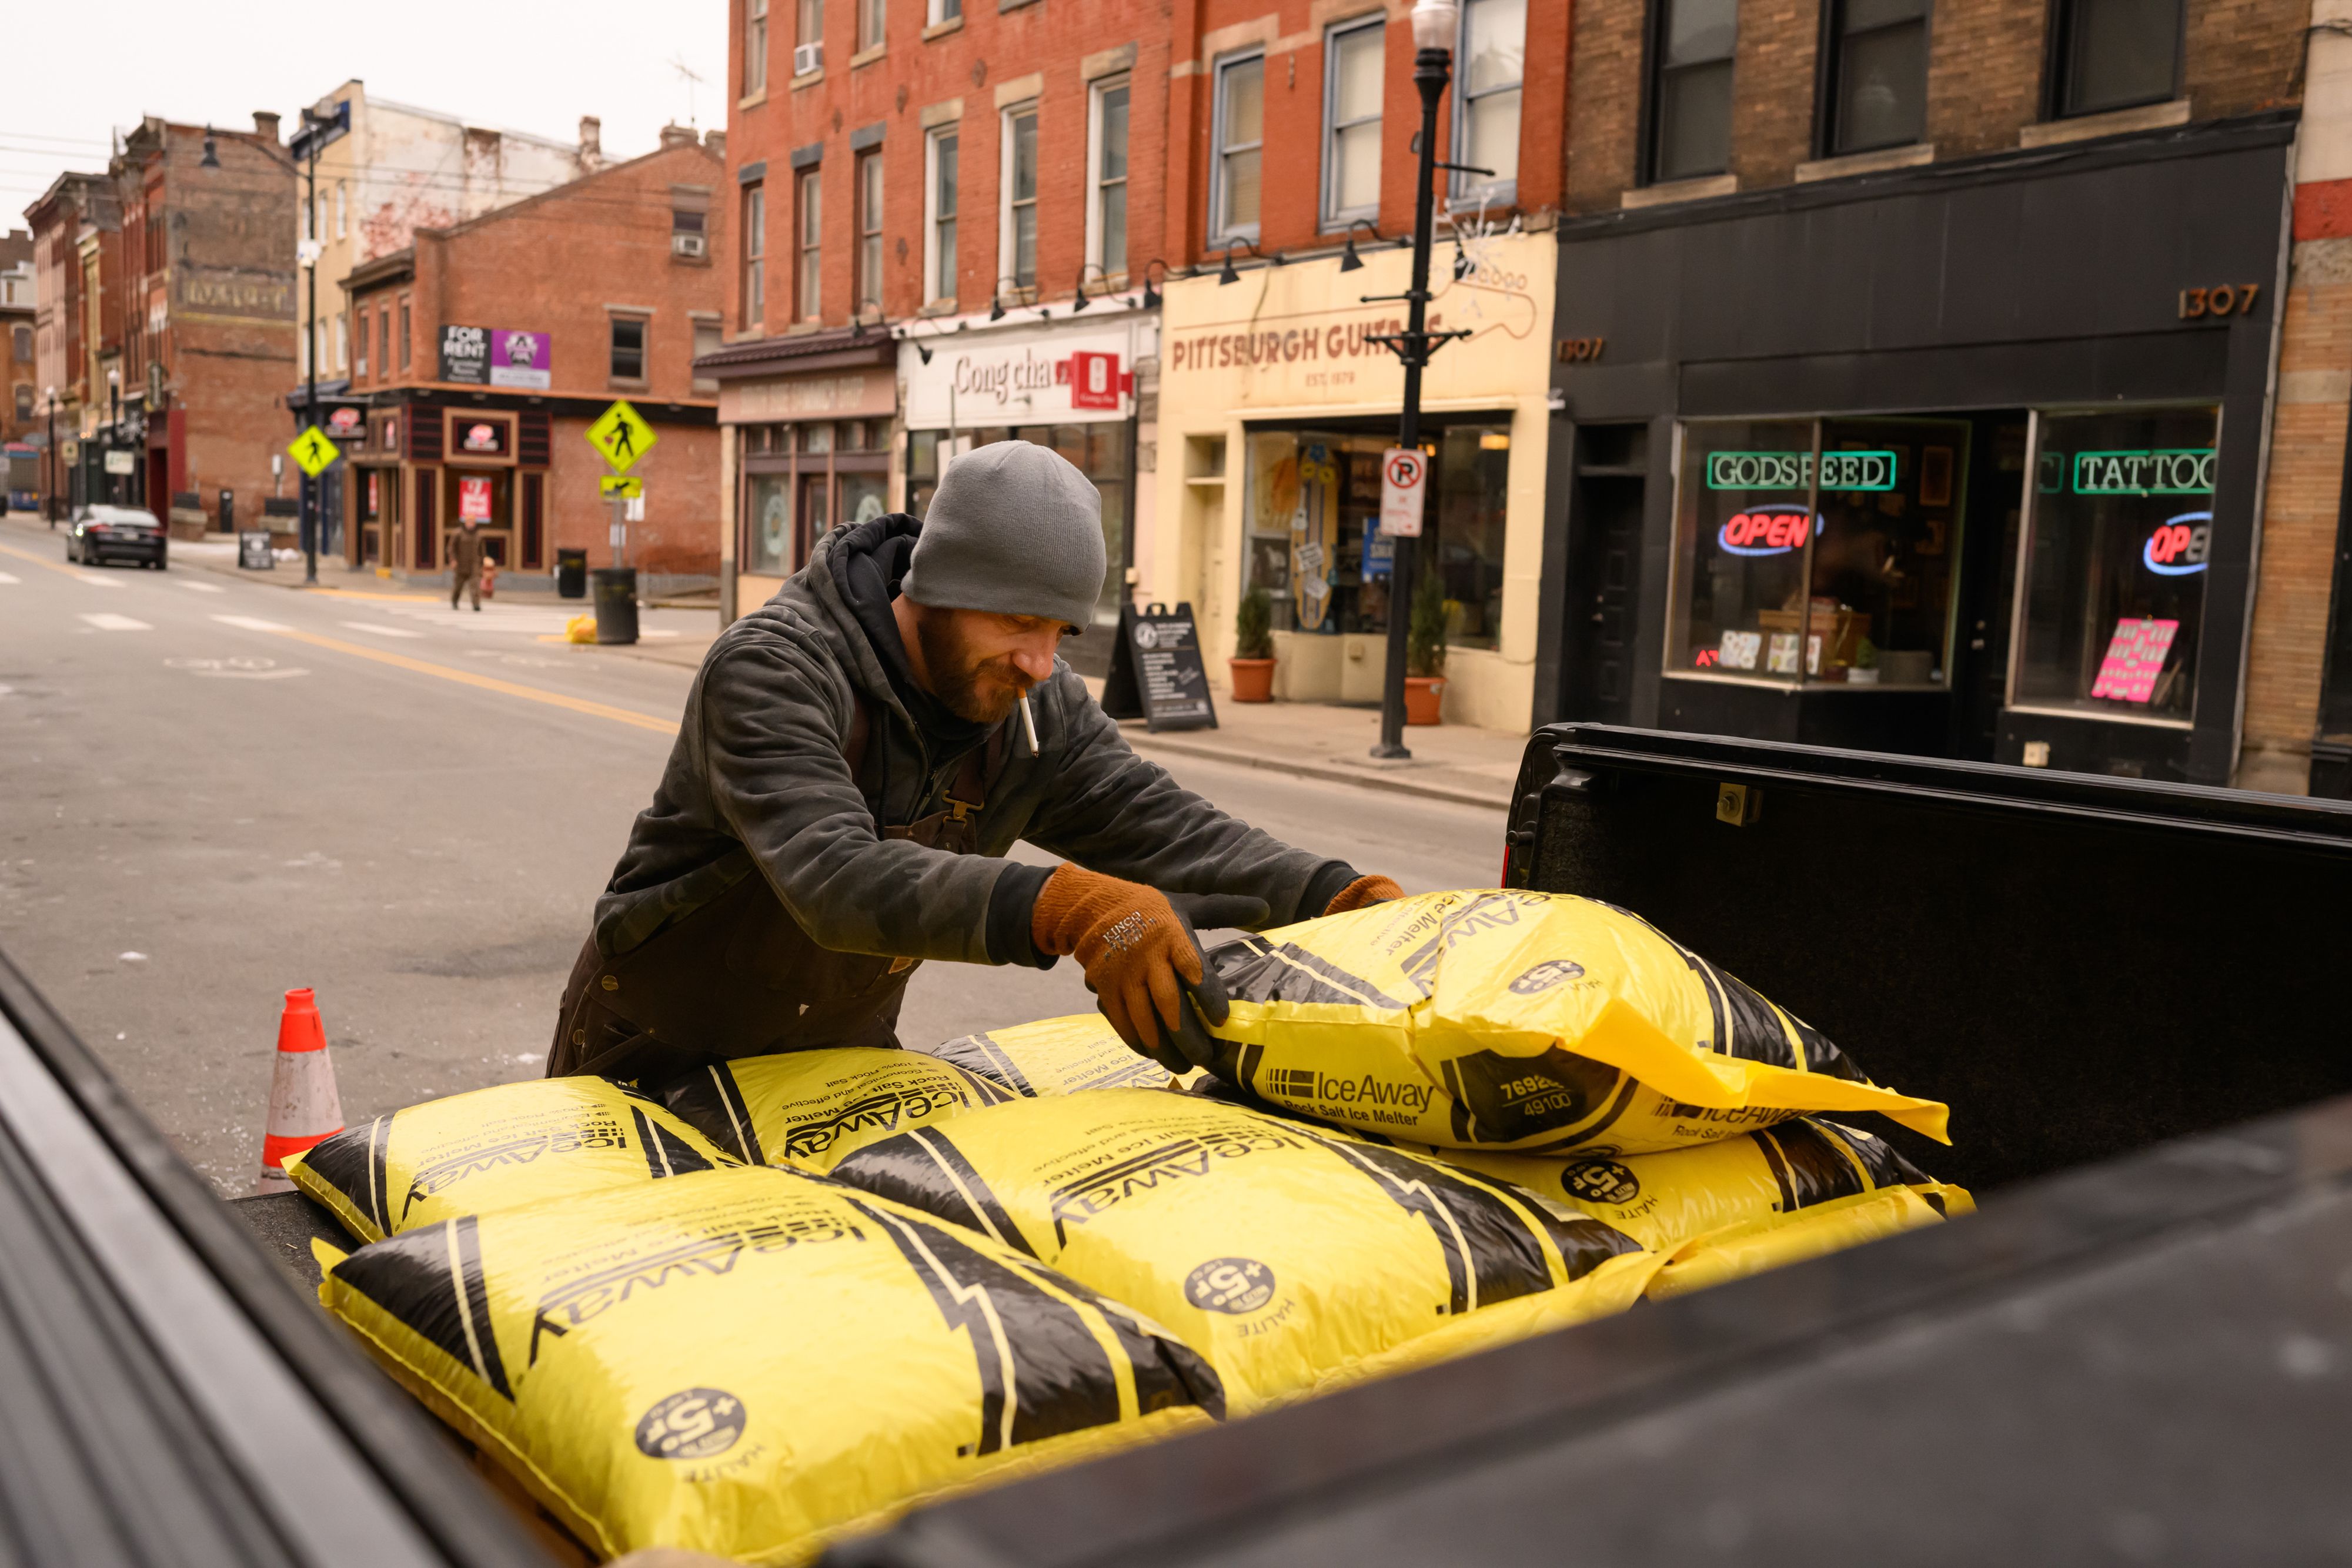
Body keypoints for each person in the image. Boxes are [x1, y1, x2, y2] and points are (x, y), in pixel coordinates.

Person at [548, 440, 1400, 1083]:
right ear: (940, 586)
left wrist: (1338, 894)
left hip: (839, 1059)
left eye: (1060, 631)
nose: (1041, 660)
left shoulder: (1033, 699)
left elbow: (1162, 824)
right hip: (655, 1057)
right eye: (1018, 621)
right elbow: (837, 879)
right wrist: (1068, 905)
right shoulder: (774, 668)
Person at [448, 516, 486, 611]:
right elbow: (451, 548)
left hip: (474, 564)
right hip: (461, 564)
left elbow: (482, 551)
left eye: (472, 522)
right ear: (465, 523)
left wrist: (482, 564)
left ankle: (476, 604)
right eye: (469, 522)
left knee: (475, 585)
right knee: (458, 586)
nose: (470, 524)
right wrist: (453, 560)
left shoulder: (478, 535)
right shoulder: (458, 533)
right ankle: (454, 601)